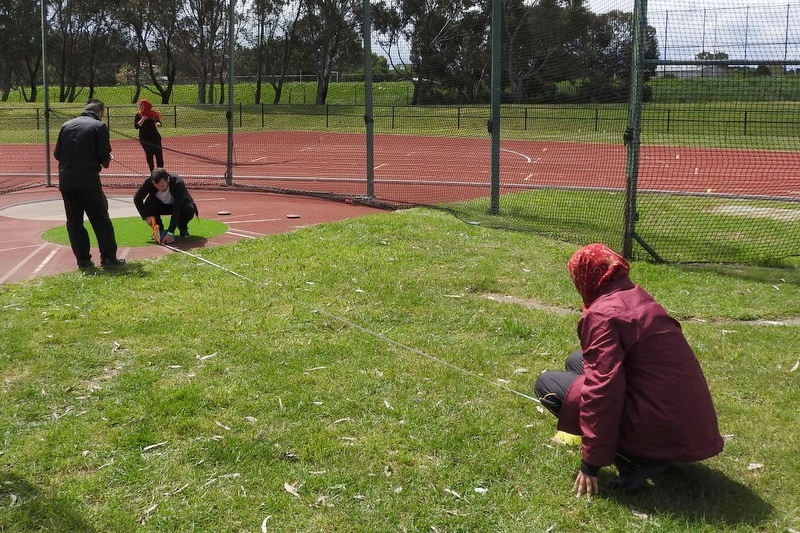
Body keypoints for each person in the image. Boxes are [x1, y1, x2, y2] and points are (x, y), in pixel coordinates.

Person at [534, 243, 723, 496]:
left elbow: (603, 388)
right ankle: (654, 449)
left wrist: (591, 462)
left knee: (548, 385)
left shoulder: (602, 314)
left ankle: (637, 457)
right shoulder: (635, 294)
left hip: (660, 421)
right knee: (575, 360)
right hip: (684, 420)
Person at [54, 99, 126, 269]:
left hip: (66, 182)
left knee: (74, 222)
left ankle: (83, 260)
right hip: (88, 181)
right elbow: (104, 156)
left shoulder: (66, 125)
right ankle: (108, 258)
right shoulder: (99, 127)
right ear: (100, 112)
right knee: (101, 220)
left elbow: (57, 154)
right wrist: (107, 159)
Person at [133, 168, 198, 244]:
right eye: (157, 186)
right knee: (148, 204)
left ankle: (182, 226)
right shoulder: (149, 182)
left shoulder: (178, 183)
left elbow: (177, 208)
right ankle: (159, 230)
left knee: (189, 209)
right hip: (161, 206)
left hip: (178, 206)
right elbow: (137, 198)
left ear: (168, 179)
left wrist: (170, 233)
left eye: (163, 186)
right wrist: (145, 216)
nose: (160, 189)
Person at [134, 99, 164, 171]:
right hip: (144, 139)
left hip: (155, 138)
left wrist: (158, 123)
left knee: (159, 154)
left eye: (142, 105)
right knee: (149, 155)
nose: (140, 106)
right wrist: (143, 119)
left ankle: (160, 171)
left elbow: (158, 121)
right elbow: (136, 127)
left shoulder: (153, 113)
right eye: (140, 105)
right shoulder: (138, 115)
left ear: (146, 106)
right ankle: (152, 171)